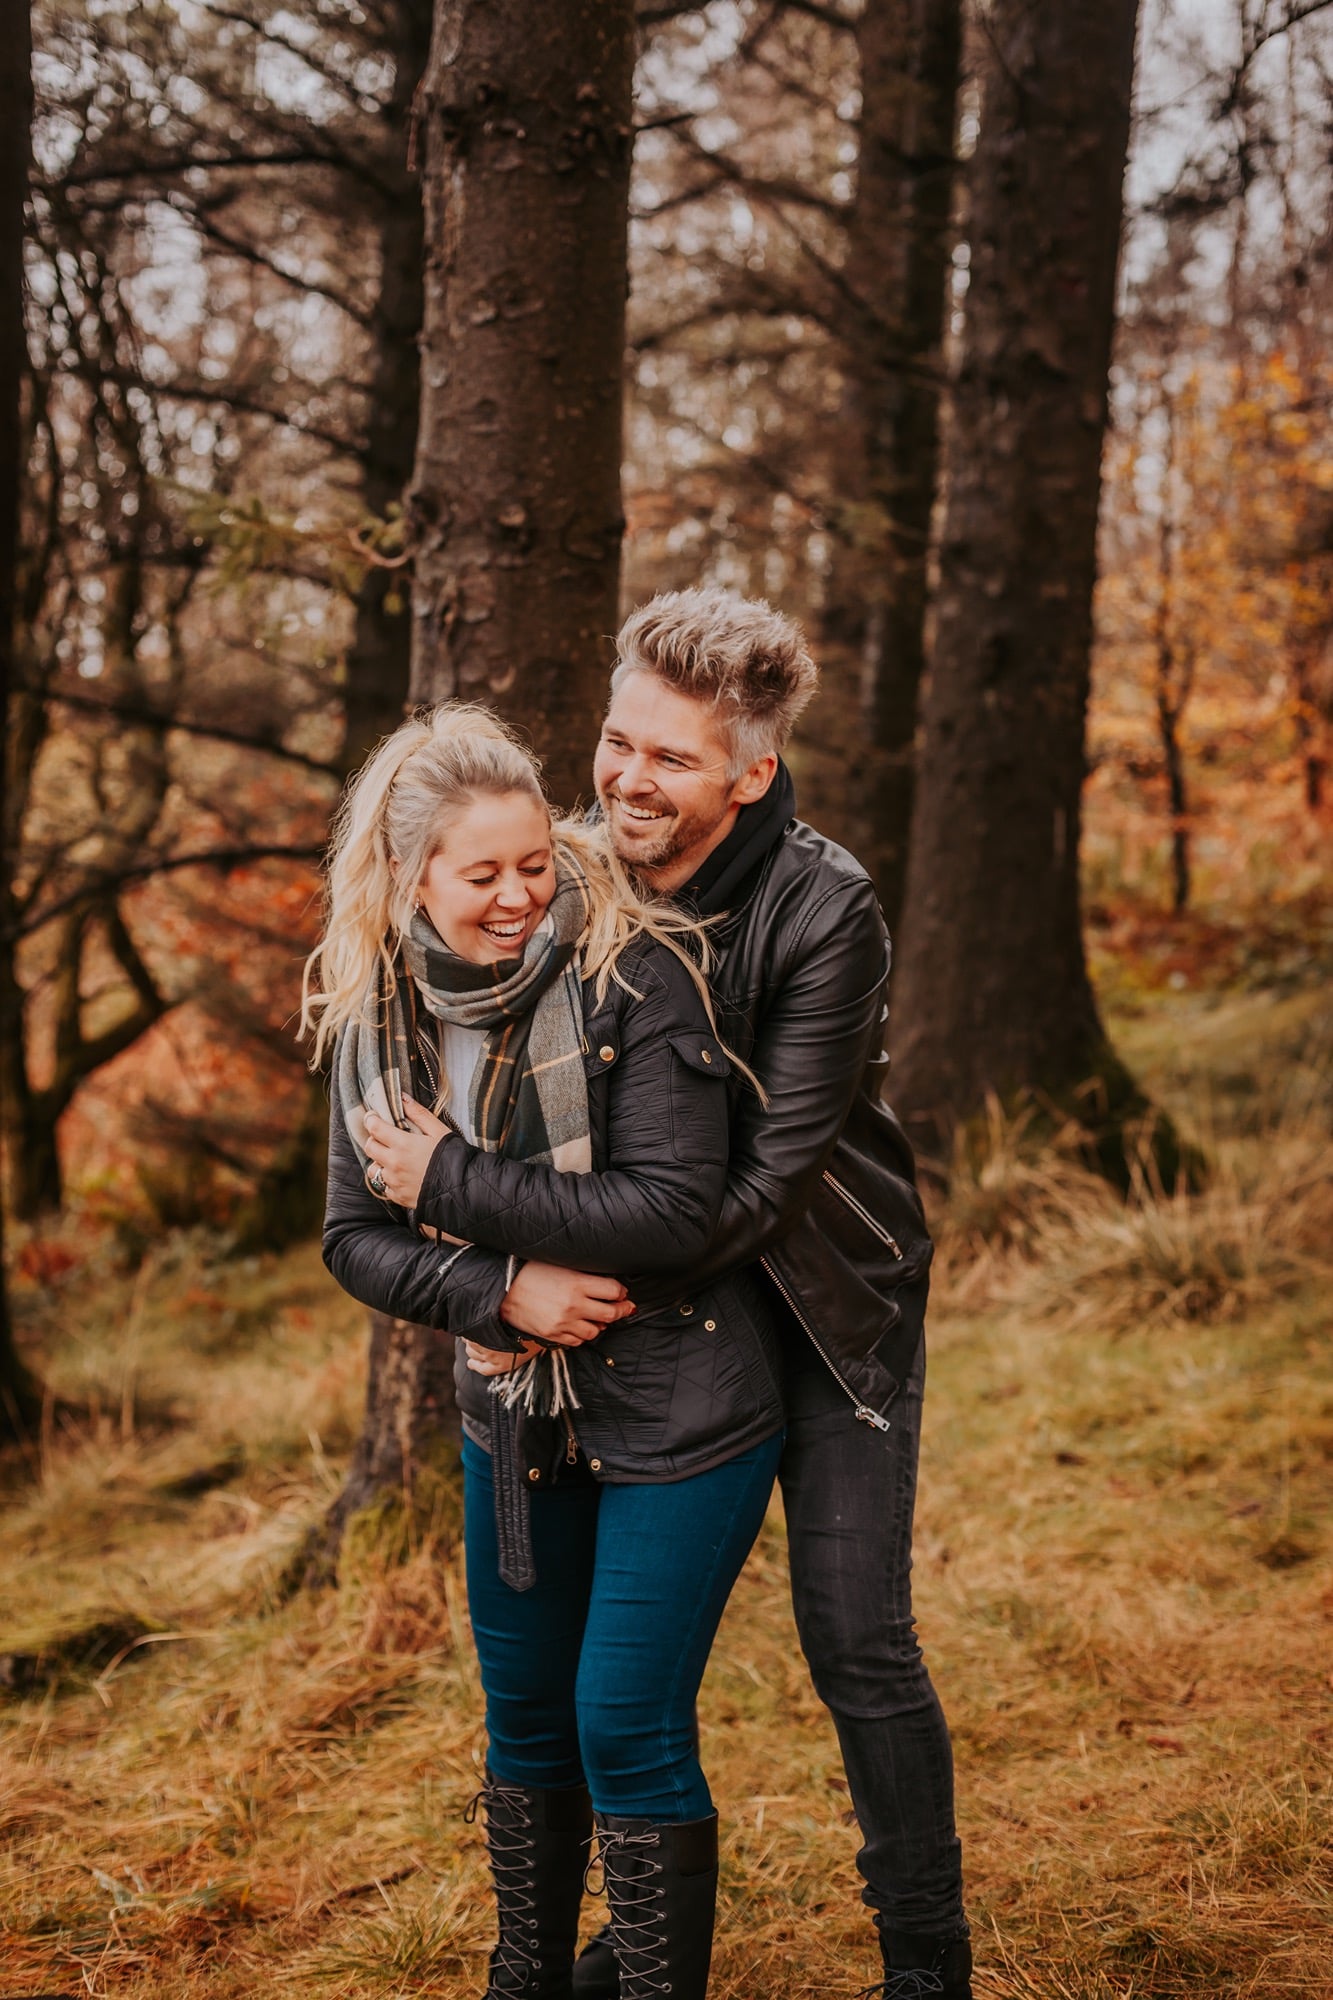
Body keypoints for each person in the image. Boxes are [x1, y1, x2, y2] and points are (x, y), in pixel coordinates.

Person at [413, 594, 972, 2000]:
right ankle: (629, 1942)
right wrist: (495, 1286)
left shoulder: (824, 908)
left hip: (817, 1307)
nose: (625, 781)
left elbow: (742, 1202)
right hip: (655, 1326)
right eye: (615, 744)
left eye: (670, 758)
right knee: (612, 1679)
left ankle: (927, 1962)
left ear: (749, 773)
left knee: (856, 1636)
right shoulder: (576, 879)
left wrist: (503, 1233)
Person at [310, 703, 786, 2000]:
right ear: (414, 880)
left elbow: (672, 1208)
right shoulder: (382, 1011)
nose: (520, 896)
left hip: (682, 1406)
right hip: (512, 1418)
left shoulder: (634, 968)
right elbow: (353, 1238)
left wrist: (455, 1181)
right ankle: (523, 1979)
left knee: (622, 1725)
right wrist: (496, 1287)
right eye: (483, 875)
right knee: (525, 1730)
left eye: (535, 862)